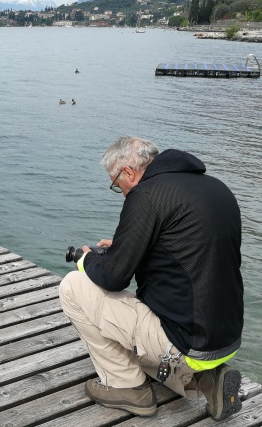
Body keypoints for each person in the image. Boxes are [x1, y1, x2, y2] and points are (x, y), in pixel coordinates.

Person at [59, 135, 244, 420]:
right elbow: (185, 254)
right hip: (224, 339)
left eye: (116, 184)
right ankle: (207, 380)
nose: (121, 193)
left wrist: (87, 259)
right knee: (141, 331)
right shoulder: (217, 188)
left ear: (128, 172)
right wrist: (123, 249)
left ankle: (127, 387)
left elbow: (113, 278)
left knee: (73, 286)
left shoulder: (145, 195)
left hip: (185, 343)